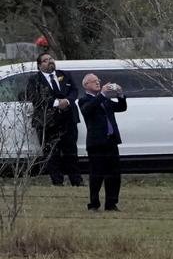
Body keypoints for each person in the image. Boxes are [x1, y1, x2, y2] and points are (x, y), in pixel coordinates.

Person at [27, 54, 81, 187]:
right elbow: (34, 97)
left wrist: (67, 101)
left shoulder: (65, 75)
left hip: (68, 119)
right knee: (51, 152)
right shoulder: (34, 80)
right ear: (39, 65)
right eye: (45, 61)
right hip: (47, 121)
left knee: (71, 151)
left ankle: (77, 181)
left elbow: (74, 90)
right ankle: (57, 181)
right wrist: (57, 103)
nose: (49, 62)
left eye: (51, 59)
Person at [78, 74, 126, 212]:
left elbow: (121, 107)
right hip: (96, 143)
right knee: (96, 174)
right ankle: (94, 203)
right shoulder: (84, 100)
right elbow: (88, 110)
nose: (98, 83)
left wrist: (120, 94)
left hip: (111, 141)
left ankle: (111, 203)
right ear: (86, 85)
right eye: (94, 81)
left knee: (114, 174)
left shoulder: (105, 100)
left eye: (98, 81)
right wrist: (103, 95)